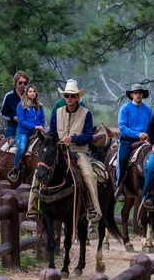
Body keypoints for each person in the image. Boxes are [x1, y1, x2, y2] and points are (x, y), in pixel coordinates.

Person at [26, 79, 102, 223]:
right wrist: (48, 138)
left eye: (72, 96)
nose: (69, 98)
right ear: (64, 97)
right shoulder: (57, 112)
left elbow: (88, 136)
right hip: (59, 149)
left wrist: (73, 139)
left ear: (78, 97)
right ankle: (33, 206)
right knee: (39, 170)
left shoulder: (86, 114)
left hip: (78, 150)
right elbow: (53, 131)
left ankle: (93, 207)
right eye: (67, 95)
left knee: (88, 174)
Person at [115, 83, 153, 199]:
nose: (138, 94)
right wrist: (138, 134)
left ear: (142, 95)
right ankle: (120, 186)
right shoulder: (125, 108)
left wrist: (147, 135)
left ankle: (153, 188)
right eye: (135, 92)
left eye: (140, 92)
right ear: (131, 95)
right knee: (122, 158)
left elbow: (152, 126)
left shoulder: (148, 110)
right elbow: (123, 128)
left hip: (145, 141)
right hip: (128, 140)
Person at [8, 84, 45, 183]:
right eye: (30, 91)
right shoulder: (22, 105)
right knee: (21, 148)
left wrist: (41, 127)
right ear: (26, 93)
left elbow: (42, 120)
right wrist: (34, 126)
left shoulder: (39, 106)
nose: (32, 93)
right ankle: (15, 170)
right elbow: (21, 121)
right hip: (23, 132)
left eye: (34, 91)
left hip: (37, 133)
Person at [0, 71, 28, 137]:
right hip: (13, 124)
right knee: (6, 143)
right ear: (15, 83)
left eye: (25, 83)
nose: (22, 85)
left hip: (28, 124)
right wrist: (13, 118)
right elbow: (2, 114)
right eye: (20, 83)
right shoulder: (9, 96)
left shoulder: (28, 96)